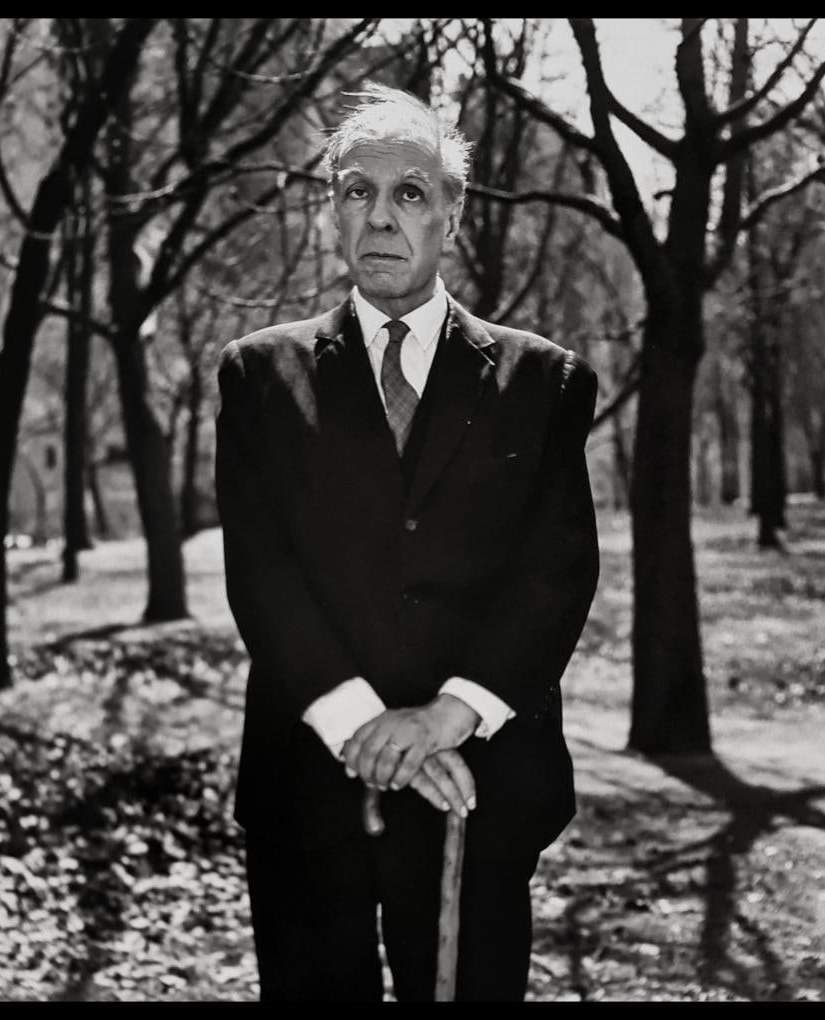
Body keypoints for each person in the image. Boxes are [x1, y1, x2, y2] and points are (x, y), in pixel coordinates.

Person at [215, 83, 599, 1002]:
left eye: (411, 194)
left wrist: (443, 718)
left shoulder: (542, 380)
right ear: (332, 211)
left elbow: (555, 575)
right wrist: (363, 729)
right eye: (357, 191)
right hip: (307, 787)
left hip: (478, 788)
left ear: (453, 217)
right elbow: (261, 576)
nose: (380, 217)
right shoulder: (260, 375)